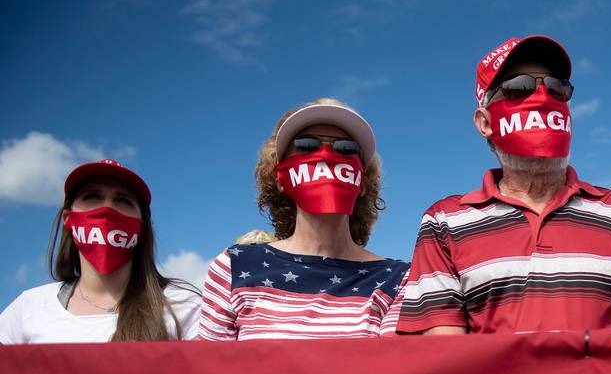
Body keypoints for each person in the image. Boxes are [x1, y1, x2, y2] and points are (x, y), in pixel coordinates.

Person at [393, 35, 611, 334]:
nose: (542, 98)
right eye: (519, 88)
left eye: (556, 88)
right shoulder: (443, 222)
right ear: (484, 123)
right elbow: (446, 358)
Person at [197, 98, 410, 340]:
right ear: (279, 177)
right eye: (306, 145)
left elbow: (390, 369)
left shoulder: (399, 279)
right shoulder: (234, 267)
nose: (326, 155)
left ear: (362, 181)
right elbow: (210, 370)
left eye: (346, 148)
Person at [0, 159, 201, 343]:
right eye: (92, 197)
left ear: (141, 224)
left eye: (123, 200)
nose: (107, 209)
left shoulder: (183, 306)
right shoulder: (28, 308)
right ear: (67, 219)